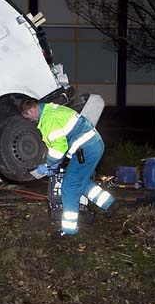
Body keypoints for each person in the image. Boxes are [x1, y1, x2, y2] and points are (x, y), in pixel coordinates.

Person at [20, 98, 116, 239]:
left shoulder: (48, 119)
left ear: (30, 110)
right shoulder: (52, 110)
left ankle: (69, 230)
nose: (30, 120)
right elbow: (62, 142)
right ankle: (110, 204)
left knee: (69, 187)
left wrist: (48, 165)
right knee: (80, 182)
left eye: (28, 117)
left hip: (86, 150)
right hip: (90, 147)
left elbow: (59, 147)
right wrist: (54, 165)